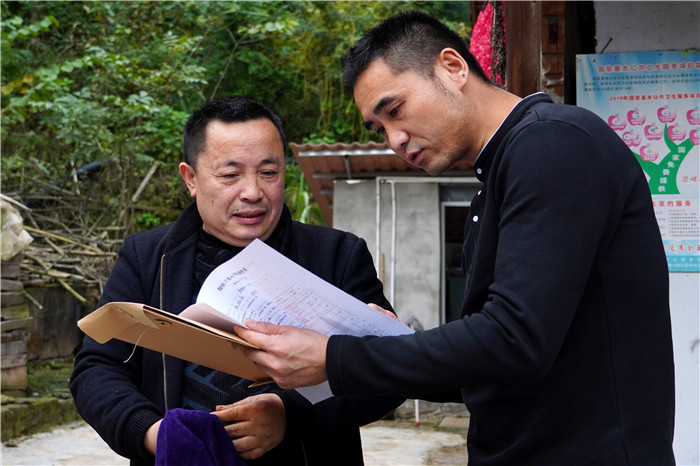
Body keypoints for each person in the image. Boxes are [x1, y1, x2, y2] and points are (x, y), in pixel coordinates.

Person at [234, 11, 676, 466]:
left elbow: (515, 339)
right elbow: (489, 364)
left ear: (453, 67)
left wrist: (336, 357)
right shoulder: (498, 178)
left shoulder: (553, 143)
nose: (394, 140)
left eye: (395, 110)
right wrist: (386, 342)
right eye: (379, 129)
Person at [70, 96, 404, 466]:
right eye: (230, 175)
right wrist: (155, 434)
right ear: (191, 178)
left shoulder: (337, 256)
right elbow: (97, 368)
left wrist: (289, 413)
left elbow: (391, 372)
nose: (252, 192)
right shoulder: (147, 258)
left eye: (269, 172)